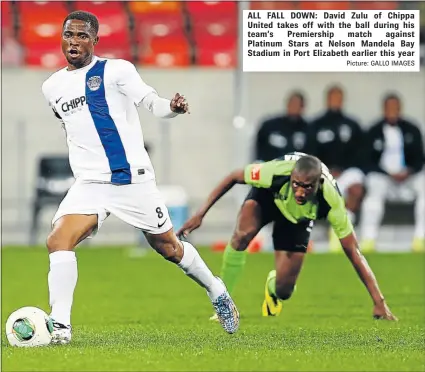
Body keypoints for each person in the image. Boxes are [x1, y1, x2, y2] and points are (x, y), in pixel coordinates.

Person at [41, 11, 239, 344]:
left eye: (82, 36)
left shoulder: (116, 70)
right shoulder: (51, 87)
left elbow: (151, 102)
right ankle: (60, 326)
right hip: (89, 183)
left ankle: (216, 289)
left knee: (168, 247)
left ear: (95, 40)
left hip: (131, 180)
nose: (74, 42)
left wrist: (172, 108)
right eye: (68, 35)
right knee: (58, 241)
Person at [177, 152, 397, 321]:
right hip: (268, 198)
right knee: (241, 236)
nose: (300, 192)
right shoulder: (275, 172)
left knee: (285, 291)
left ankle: (273, 286)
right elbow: (234, 177)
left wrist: (379, 302)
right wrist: (200, 214)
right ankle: (223, 303)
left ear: (318, 184)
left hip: (297, 220)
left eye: (307, 187)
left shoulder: (331, 199)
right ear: (291, 177)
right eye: (297, 185)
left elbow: (353, 251)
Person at [359, 94, 425, 252]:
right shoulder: (373, 131)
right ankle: (368, 239)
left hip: (408, 177)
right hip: (383, 177)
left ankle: (420, 238)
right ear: (384, 109)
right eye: (389, 107)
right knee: (373, 194)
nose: (392, 111)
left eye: (395, 107)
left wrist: (409, 171)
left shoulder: (412, 129)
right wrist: (387, 173)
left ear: (400, 109)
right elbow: (367, 161)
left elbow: (419, 159)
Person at [307, 85, 365, 251]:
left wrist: (343, 169)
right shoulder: (316, 125)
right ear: (327, 100)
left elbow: (360, 153)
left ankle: (340, 232)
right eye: (333, 97)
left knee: (356, 189)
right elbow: (309, 153)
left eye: (339, 98)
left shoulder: (352, 125)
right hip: (322, 172)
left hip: (347, 172)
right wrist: (325, 169)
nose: (336, 101)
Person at [255, 92, 309, 162]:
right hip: (272, 167)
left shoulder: (308, 129)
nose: (294, 107)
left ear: (302, 107)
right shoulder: (270, 126)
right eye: (292, 104)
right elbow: (260, 149)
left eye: (297, 105)